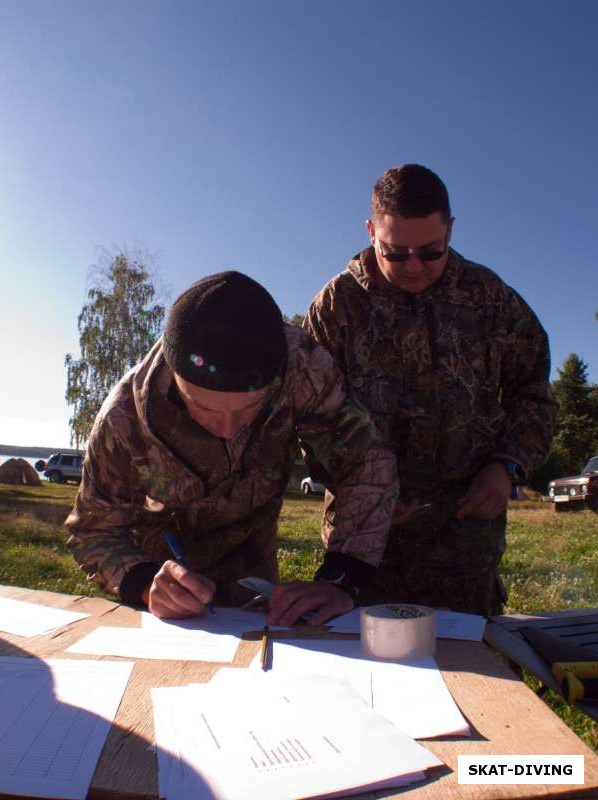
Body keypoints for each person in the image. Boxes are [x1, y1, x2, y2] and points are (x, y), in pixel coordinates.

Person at [296, 164, 556, 617]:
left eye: (430, 251)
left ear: (450, 231)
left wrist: (505, 467)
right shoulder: (335, 308)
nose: (414, 267)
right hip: (365, 537)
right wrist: (363, 488)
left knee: (472, 671)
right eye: (395, 253)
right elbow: (311, 418)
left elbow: (533, 393)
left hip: (463, 534)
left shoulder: (490, 299)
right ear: (370, 231)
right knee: (361, 673)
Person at [65, 271, 397, 625]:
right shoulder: (124, 418)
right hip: (163, 579)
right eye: (205, 409)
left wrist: (341, 578)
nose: (227, 430)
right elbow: (93, 531)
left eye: (247, 410)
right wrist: (143, 582)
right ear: (175, 378)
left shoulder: (302, 367)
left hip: (253, 562)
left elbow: (365, 464)